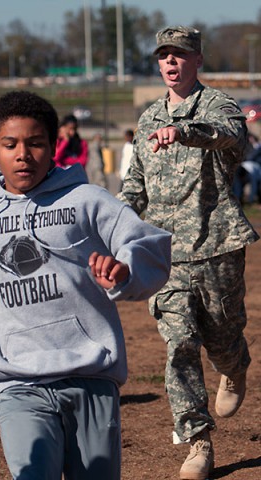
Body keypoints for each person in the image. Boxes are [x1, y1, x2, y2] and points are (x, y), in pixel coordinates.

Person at [0, 90, 172, 480]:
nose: (23, 155)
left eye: (35, 143)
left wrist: (125, 270)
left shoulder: (86, 201)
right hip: (17, 381)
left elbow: (148, 243)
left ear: (53, 146)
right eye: (10, 145)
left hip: (90, 374)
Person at [117, 26, 260, 480]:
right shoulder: (145, 120)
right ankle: (198, 442)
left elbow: (231, 136)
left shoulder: (219, 105)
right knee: (179, 345)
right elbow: (134, 185)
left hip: (216, 245)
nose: (170, 62)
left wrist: (183, 131)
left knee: (222, 334)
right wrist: (112, 224)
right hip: (164, 254)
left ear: (197, 59)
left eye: (179, 54)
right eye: (163, 55)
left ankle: (234, 367)